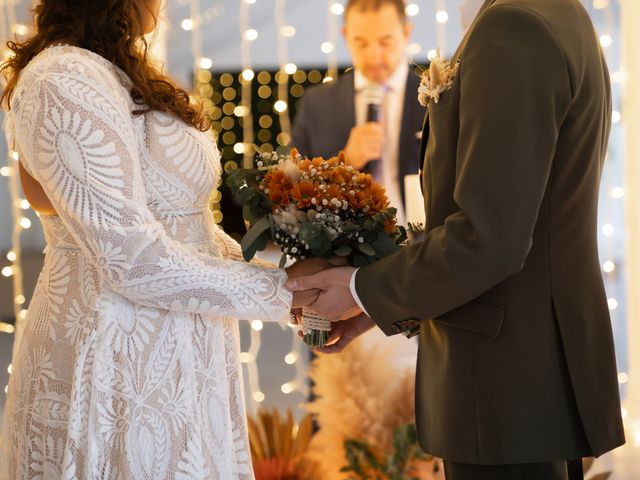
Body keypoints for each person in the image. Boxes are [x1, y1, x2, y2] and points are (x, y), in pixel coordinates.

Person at [287, 0, 626, 478]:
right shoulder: (561, 12)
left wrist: (364, 290)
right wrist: (374, 302)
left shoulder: (514, 26)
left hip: (499, 382)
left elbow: (488, 238)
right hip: (530, 372)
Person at [0, 1, 325, 478]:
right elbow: (132, 259)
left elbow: (188, 233)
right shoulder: (61, 79)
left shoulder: (120, 72)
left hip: (183, 342)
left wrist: (290, 281)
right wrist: (286, 294)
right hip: (116, 354)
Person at [291, 0, 424, 226]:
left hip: (422, 245)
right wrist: (346, 162)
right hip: (345, 249)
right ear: (345, 35)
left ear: (406, 32)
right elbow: (293, 191)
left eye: (385, 42)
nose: (373, 57)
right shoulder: (317, 104)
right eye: (361, 43)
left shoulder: (436, 98)